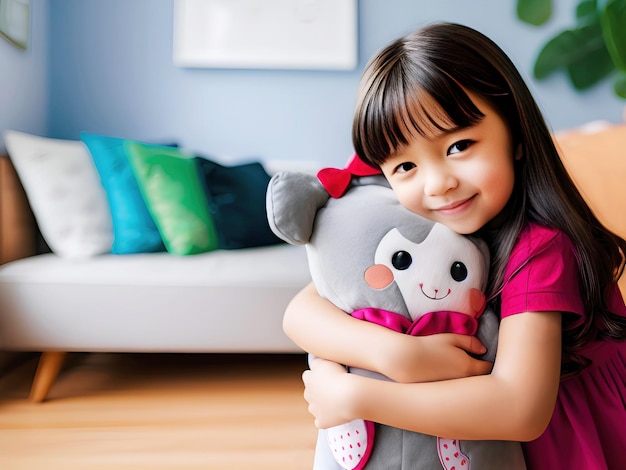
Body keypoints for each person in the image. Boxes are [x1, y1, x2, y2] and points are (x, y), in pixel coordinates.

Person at [283, 22, 626, 469]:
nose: (438, 184)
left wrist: (357, 395)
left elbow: (519, 409)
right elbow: (303, 310)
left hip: (574, 445)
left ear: (516, 133)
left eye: (459, 145)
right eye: (406, 166)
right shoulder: (431, 225)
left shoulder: (541, 248)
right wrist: (396, 355)